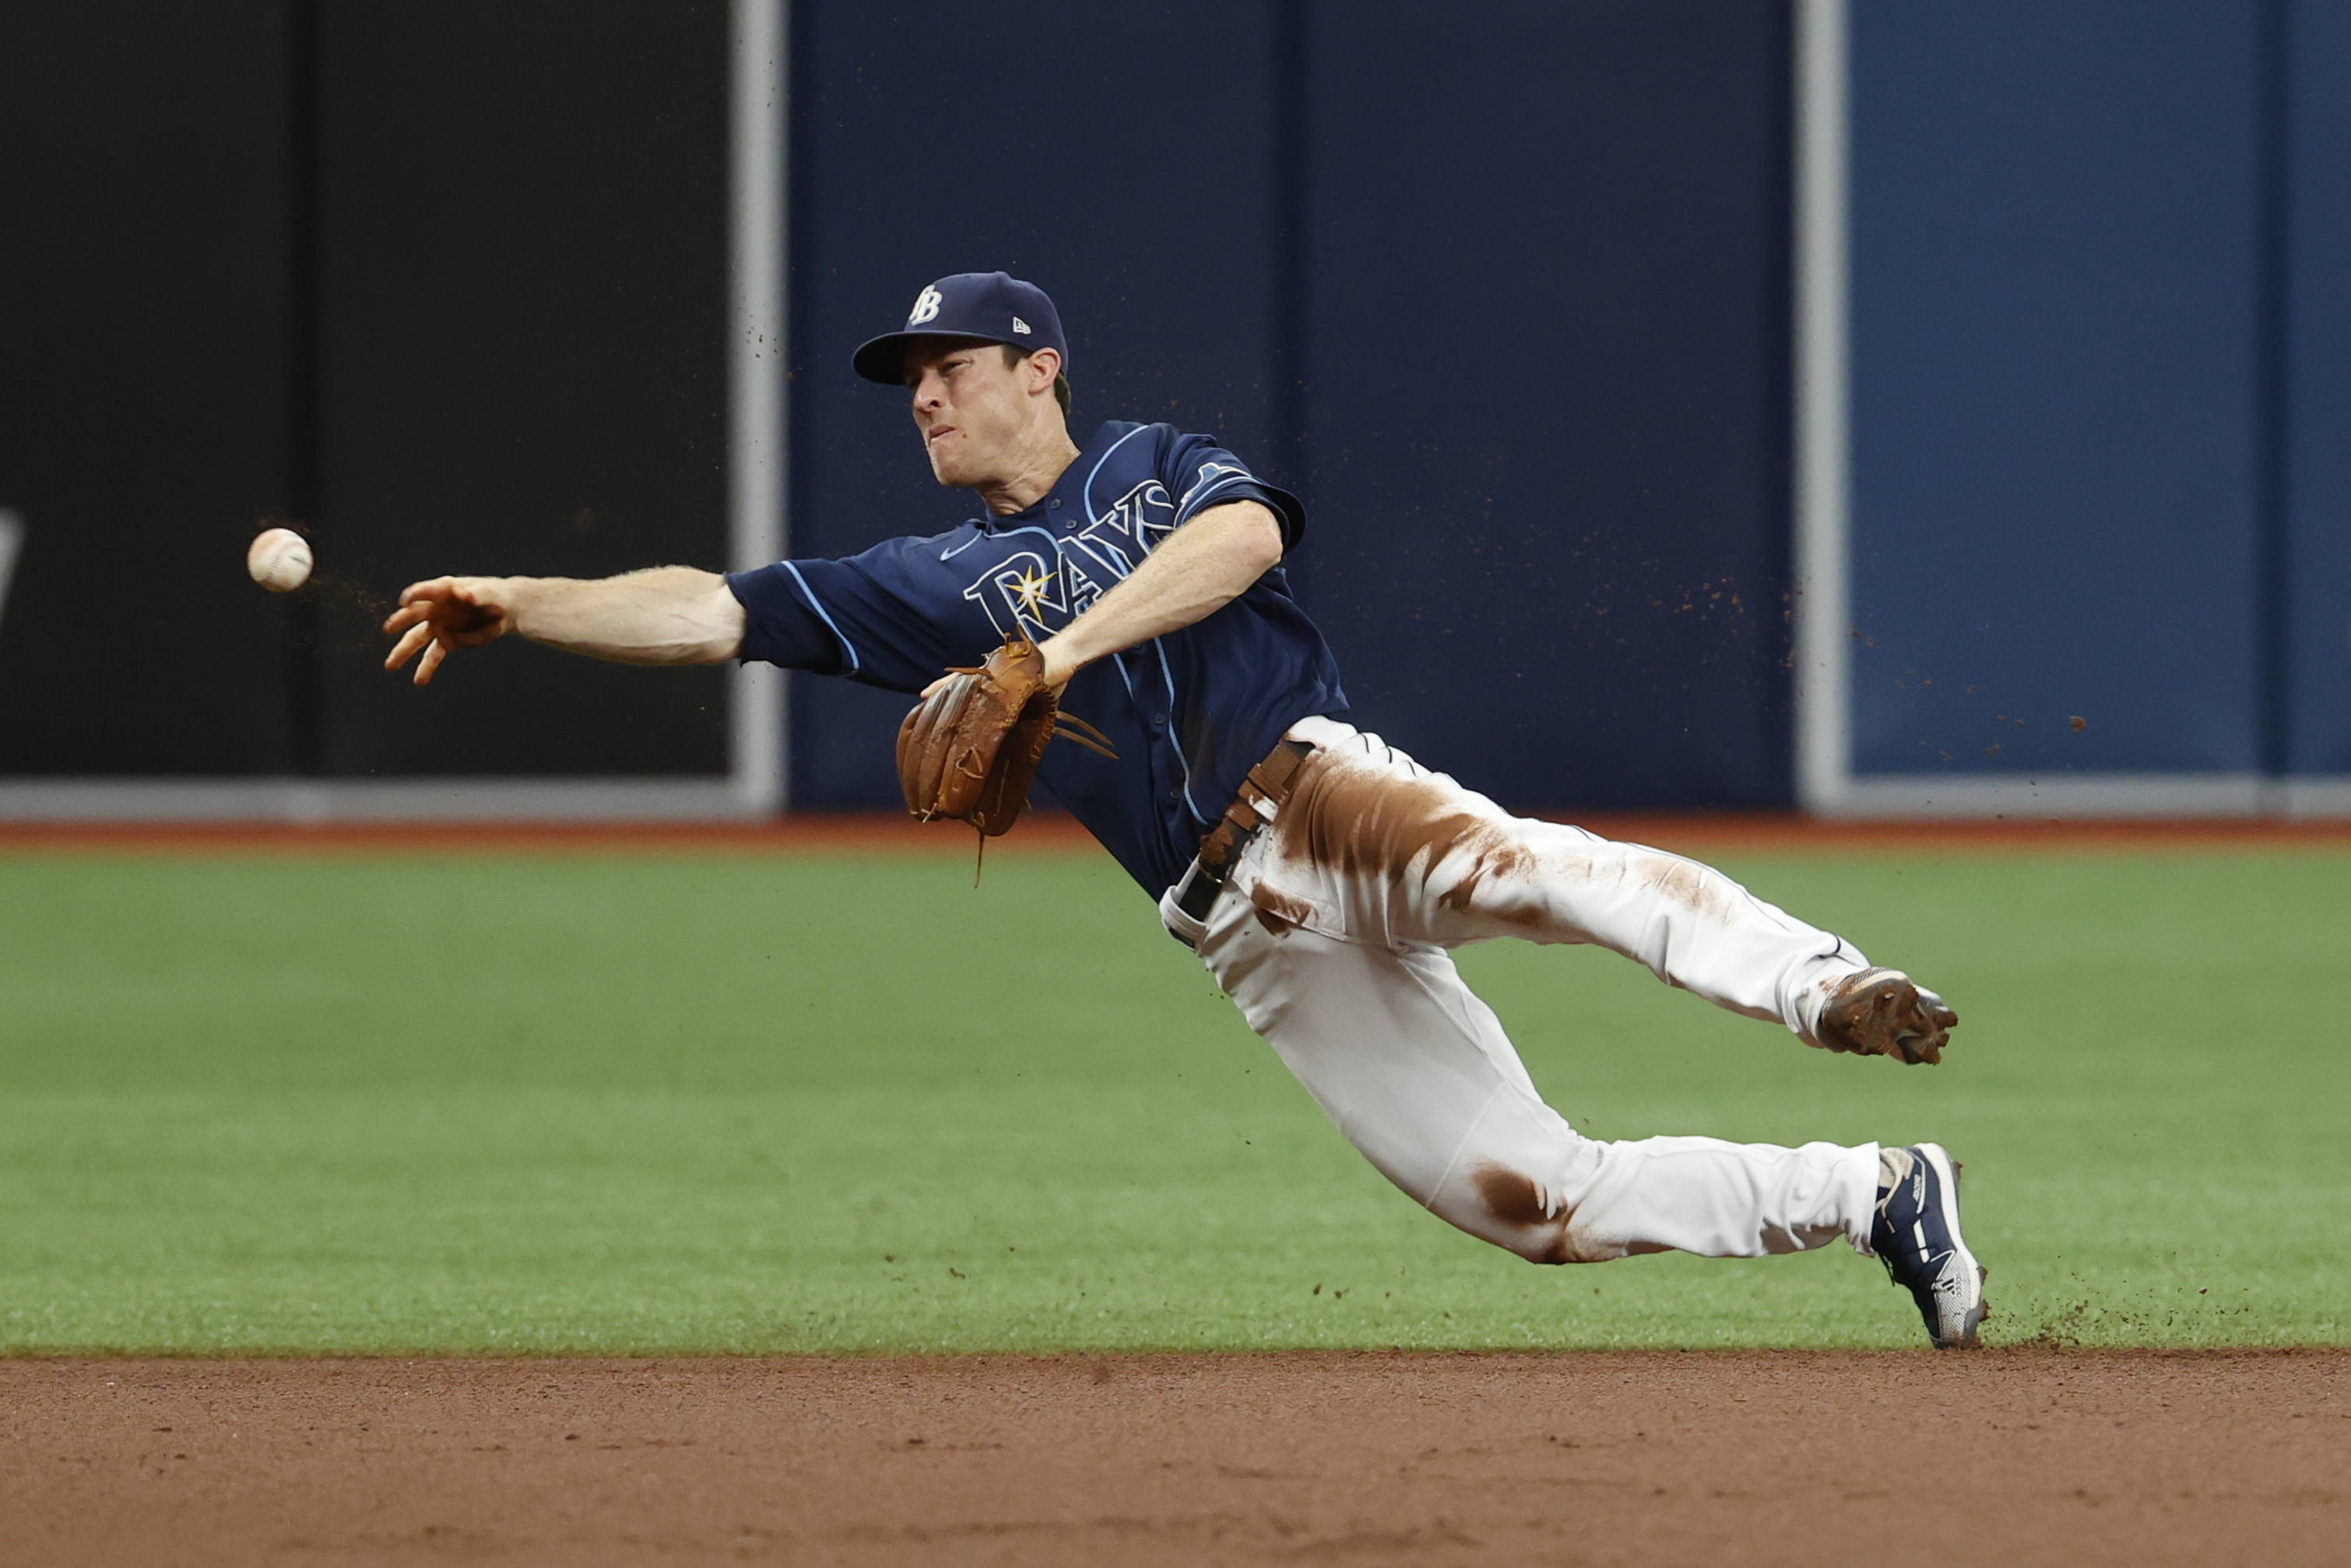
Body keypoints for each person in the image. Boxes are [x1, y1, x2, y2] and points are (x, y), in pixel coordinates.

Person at [383, 271, 1987, 1348]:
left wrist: (1059, 647)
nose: (925, 395)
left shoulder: (1151, 466)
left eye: (951, 367)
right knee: (1533, 1199)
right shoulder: (920, 585)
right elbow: (713, 609)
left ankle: (1825, 981)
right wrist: (523, 599)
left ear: (1039, 369)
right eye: (910, 378)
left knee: (1529, 873)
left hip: (1320, 795)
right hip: (1236, 933)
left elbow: (1241, 549)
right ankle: (1873, 1190)